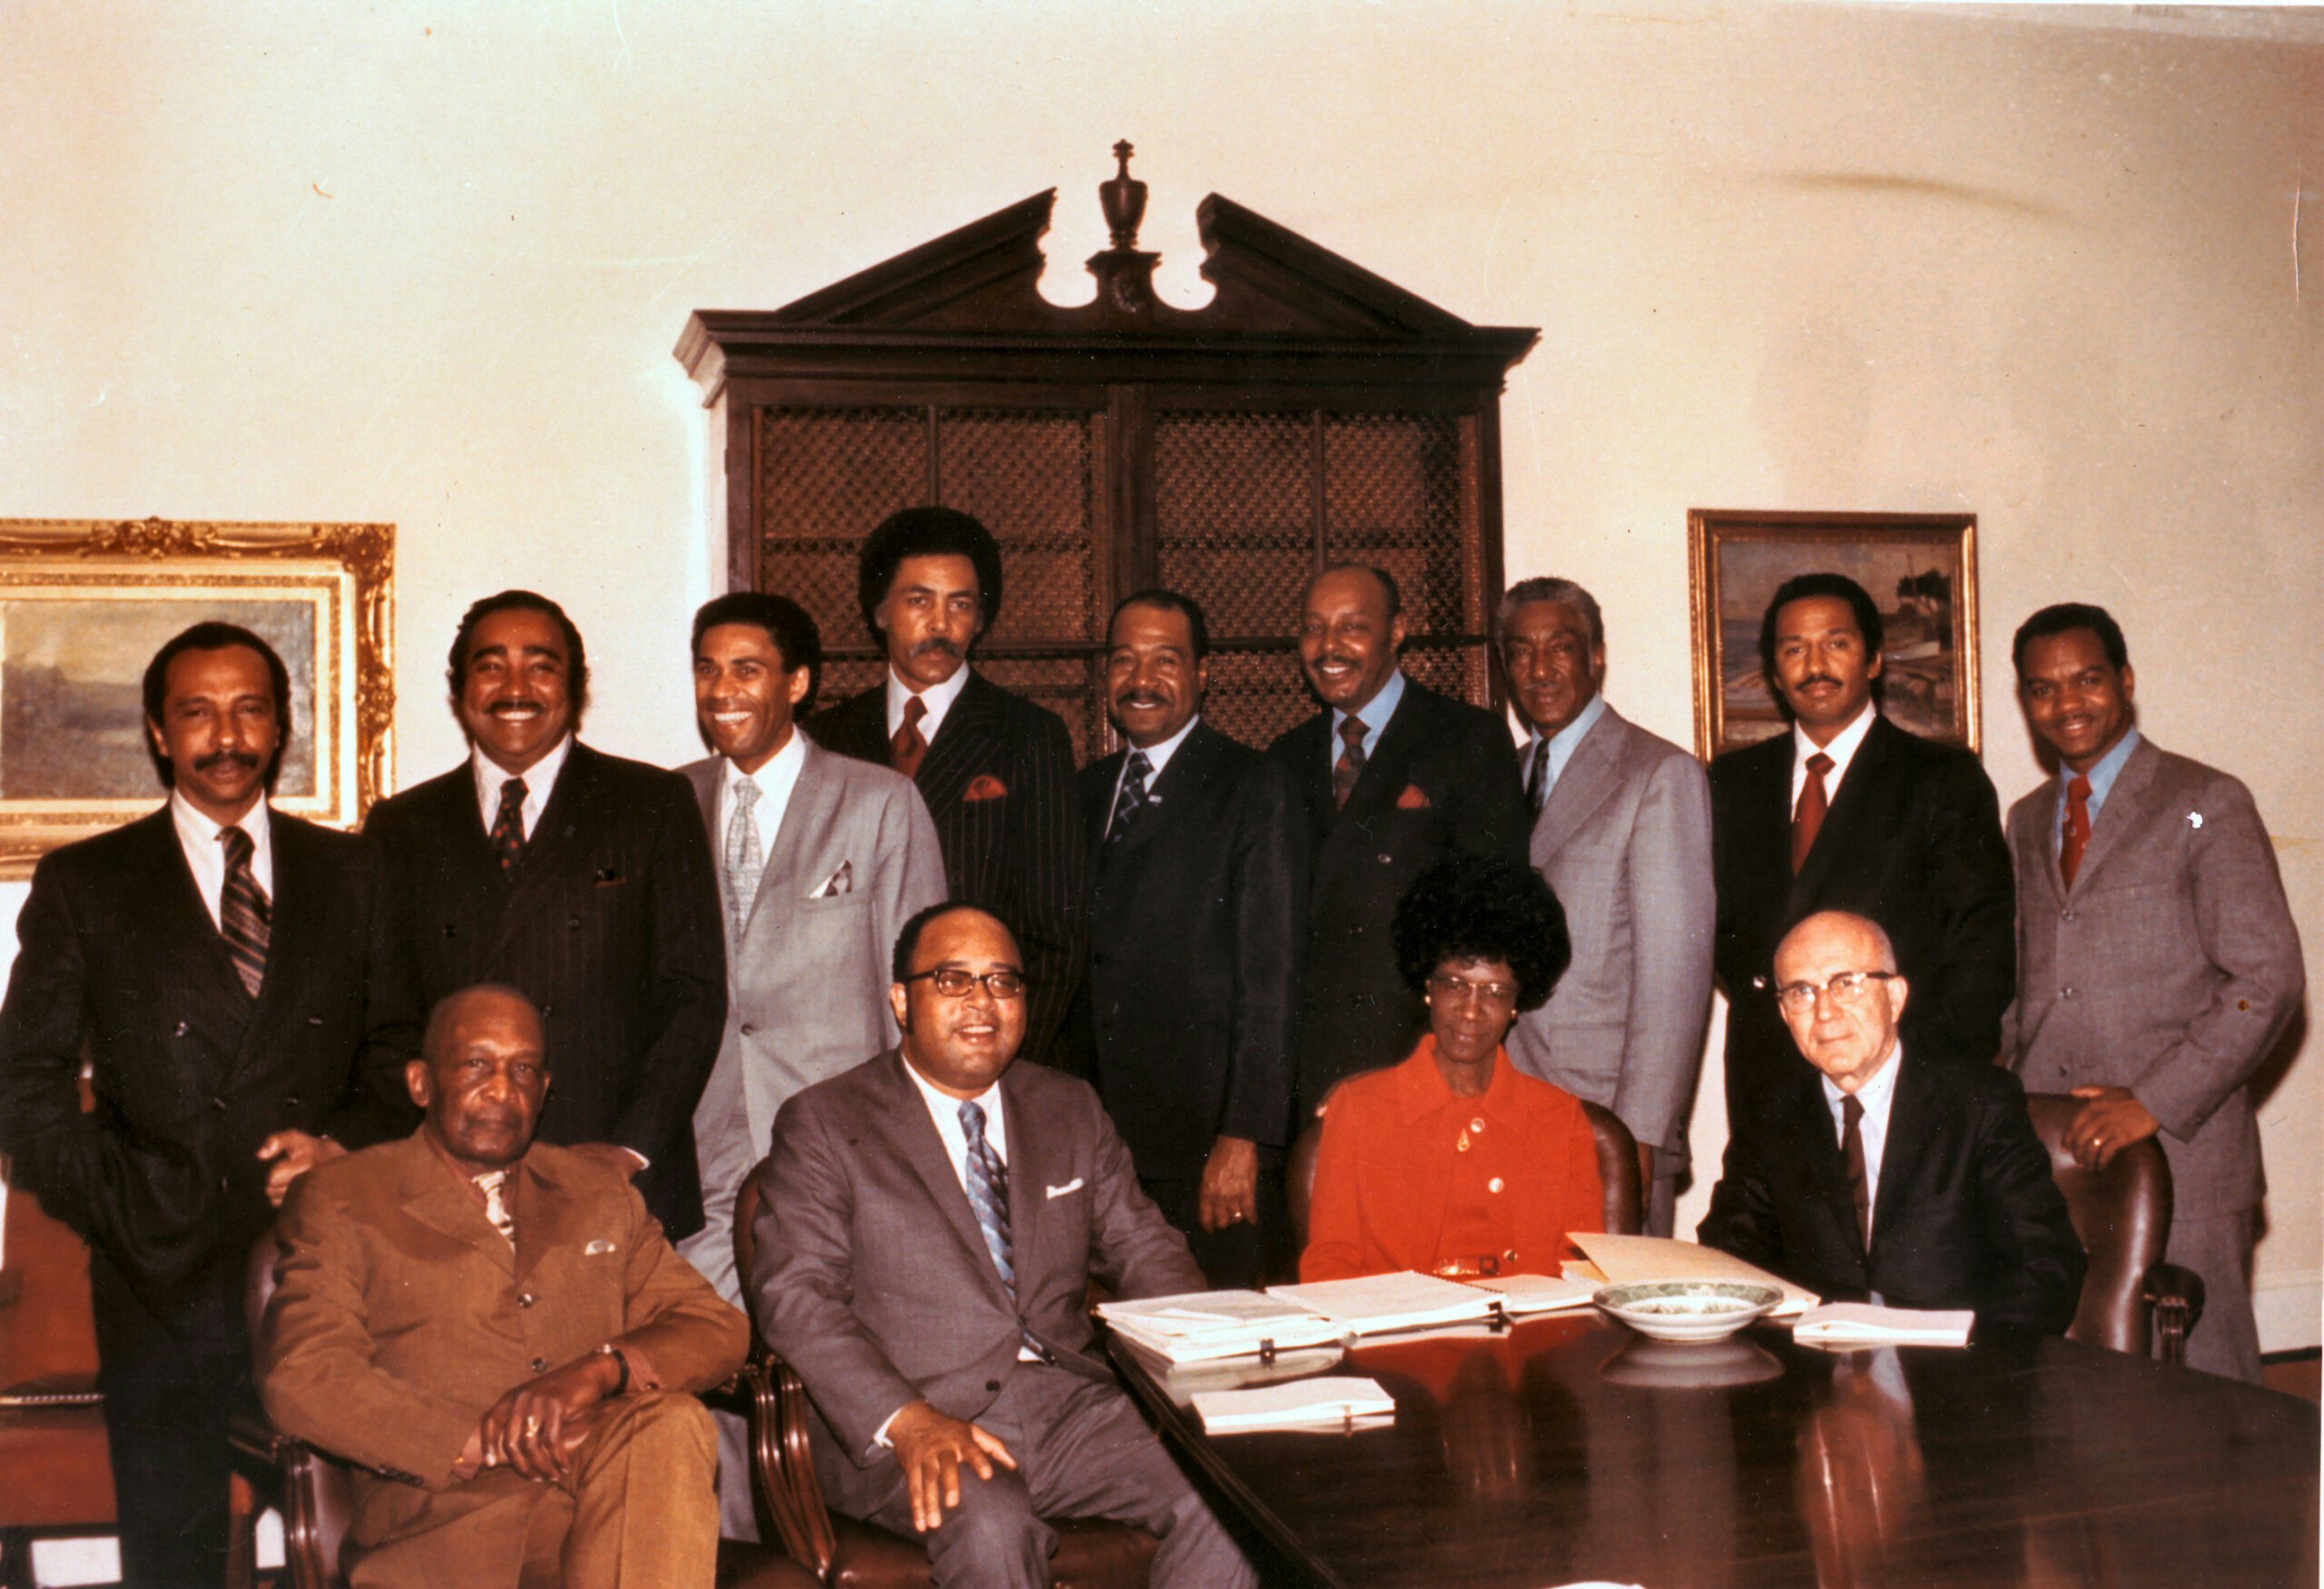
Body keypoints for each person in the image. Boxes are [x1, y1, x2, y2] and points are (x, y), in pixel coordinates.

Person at [0, 622, 404, 1588]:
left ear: (281, 724)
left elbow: (400, 1051)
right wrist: (124, 1200)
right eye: (197, 711)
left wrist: (343, 1145)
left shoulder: (354, 873)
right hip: (161, 1277)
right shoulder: (87, 882)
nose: (226, 734)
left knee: (370, 1536)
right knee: (171, 1553)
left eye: (249, 707)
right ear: (157, 731)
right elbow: (23, 1084)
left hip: (327, 1265)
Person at [749, 903, 1256, 1589]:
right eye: (953, 980)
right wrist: (907, 1421)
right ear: (902, 1001)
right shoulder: (826, 1122)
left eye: (1003, 982)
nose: (982, 1002)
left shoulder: (1068, 1108)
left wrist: (1224, 1354)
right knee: (993, 1522)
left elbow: (1147, 1253)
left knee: (1235, 1489)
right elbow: (796, 1297)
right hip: (914, 1418)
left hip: (1073, 1411)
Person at [261, 985, 748, 1588]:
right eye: (475, 1065)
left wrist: (595, 1374)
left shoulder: (597, 1193)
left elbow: (716, 1325)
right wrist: (481, 1440)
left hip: (614, 1501)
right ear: (420, 1083)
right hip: (448, 1526)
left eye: (523, 1069)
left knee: (669, 1424)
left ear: (544, 1091)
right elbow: (304, 1376)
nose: (501, 1089)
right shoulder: (344, 1196)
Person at [675, 589, 944, 1534]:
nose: (722, 689)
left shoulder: (879, 801)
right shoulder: (672, 802)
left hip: (840, 1166)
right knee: (711, 1407)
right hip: (705, 1171)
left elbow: (922, 1001)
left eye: (746, 669)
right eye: (707, 669)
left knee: (839, 1397)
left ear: (798, 681)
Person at [1999, 604, 2302, 1381]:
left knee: (2207, 1392)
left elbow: (2266, 980)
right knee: (2078, 1394)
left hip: (2184, 1158)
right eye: (2043, 689)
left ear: (2126, 682)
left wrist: (2155, 1100)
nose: (2067, 703)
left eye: (2088, 679)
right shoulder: (2027, 819)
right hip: (2057, 1165)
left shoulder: (2205, 801)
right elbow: (2029, 985)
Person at [365, 590, 726, 1239]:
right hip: (451, 1186)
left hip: (613, 1176)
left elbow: (694, 998)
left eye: (541, 666)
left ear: (575, 687)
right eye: (490, 665)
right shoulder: (402, 827)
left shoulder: (650, 803)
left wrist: (630, 1151)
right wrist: (434, 1154)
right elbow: (387, 1017)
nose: (515, 687)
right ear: (460, 690)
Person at [1709, 572, 2014, 1116]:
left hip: (1906, 1081)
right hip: (1770, 1080)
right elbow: (1720, 933)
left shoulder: (1942, 778)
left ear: (1874, 660)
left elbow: (1979, 954)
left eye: (1837, 643)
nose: (1815, 664)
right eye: (1794, 648)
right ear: (1775, 673)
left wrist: (1920, 1072)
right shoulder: (1730, 782)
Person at [1699, 911, 2084, 1333]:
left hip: (1954, 1377)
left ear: (1896, 998)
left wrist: (1977, 1370)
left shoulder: (1977, 1103)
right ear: (1785, 1014)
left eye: (1846, 984)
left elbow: (2043, 1264)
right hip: (1814, 1376)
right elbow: (1729, 1255)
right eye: (1801, 992)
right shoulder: (1773, 1115)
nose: (1825, 1012)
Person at [1071, 589, 1303, 1285]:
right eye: (1124, 661)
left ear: (1204, 673)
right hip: (1099, 1134)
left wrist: (1243, 1138)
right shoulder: (1084, 791)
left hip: (1205, 1141)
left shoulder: (1253, 785)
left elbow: (1275, 975)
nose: (1141, 680)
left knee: (1218, 1335)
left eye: (1165, 661)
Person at [807, 508, 1084, 1064]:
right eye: (919, 600)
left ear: (980, 619)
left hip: (981, 1047)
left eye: (960, 604)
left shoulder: (1029, 735)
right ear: (880, 610)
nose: (940, 624)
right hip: (845, 1052)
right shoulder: (824, 739)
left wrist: (1008, 1062)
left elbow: (1058, 935)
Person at [1266, 563, 1529, 1110]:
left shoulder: (1467, 739)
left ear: (1398, 631)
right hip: (1301, 1070)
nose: (1328, 646)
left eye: (1352, 626)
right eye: (1314, 627)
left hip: (1417, 1068)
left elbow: (1489, 924)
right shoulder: (1283, 759)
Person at [1497, 577, 1714, 1237]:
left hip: (1607, 1123)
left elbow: (1675, 981)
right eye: (1520, 651)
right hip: (1504, 1110)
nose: (1539, 669)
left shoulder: (1658, 774)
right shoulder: (1499, 774)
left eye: (1560, 648)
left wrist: (1639, 1138)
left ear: (1597, 656)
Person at [1301, 854, 1604, 1282]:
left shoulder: (1561, 1119)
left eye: (1495, 992)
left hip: (1528, 1340)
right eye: (1455, 985)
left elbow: (1582, 1273)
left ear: (1518, 1003)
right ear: (1428, 986)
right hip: (1397, 1340)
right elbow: (1330, 1267)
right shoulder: (1359, 1110)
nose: (1471, 1012)